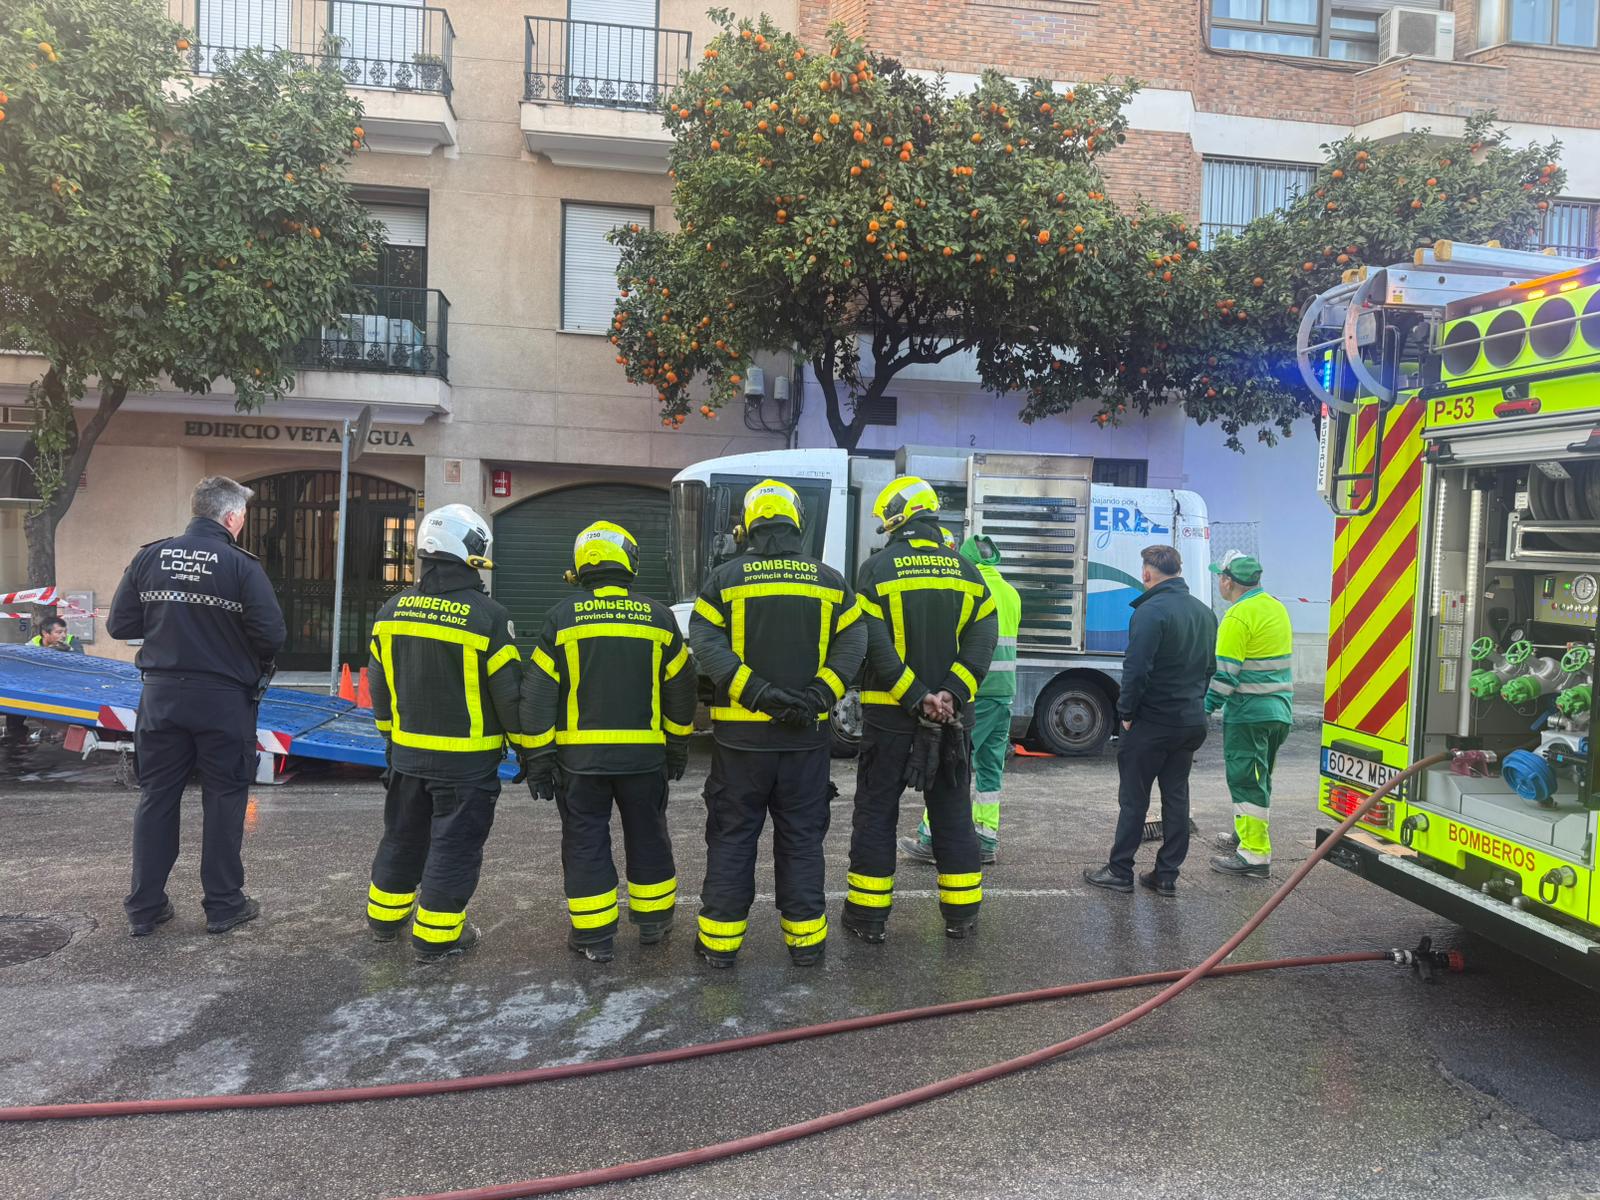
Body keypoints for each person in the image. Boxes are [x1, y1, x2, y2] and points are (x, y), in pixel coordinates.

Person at [688, 480, 866, 968]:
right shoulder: (830, 582)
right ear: (797, 523)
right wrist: (819, 695)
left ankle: (719, 947)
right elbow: (854, 642)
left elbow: (706, 644)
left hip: (741, 743)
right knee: (802, 841)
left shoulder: (723, 579)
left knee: (732, 839)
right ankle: (806, 946)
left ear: (747, 526)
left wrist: (758, 693)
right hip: (806, 741)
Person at [108, 476, 286, 937]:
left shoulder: (151, 556)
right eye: (243, 516)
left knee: (157, 797)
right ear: (232, 517)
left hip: (161, 697)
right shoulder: (241, 566)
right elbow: (272, 635)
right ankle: (224, 905)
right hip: (223, 701)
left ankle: (144, 908)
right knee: (225, 798)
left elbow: (119, 624)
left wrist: (170, 627)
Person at [520, 520, 695, 964]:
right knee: (649, 836)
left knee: (585, 842)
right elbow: (681, 689)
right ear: (629, 561)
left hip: (580, 764)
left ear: (581, 567)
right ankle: (654, 923)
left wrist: (539, 756)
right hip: (644, 760)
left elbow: (538, 693)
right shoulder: (659, 618)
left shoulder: (561, 619)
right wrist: (677, 746)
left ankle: (594, 937)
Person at [364, 504, 526, 962]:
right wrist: (528, 748)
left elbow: (378, 683)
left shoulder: (392, 609)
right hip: (466, 764)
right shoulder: (488, 616)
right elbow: (508, 697)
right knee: (454, 847)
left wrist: (390, 738)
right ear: (470, 550)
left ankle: (384, 920)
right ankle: (437, 937)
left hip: (407, 756)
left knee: (402, 836)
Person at [846, 476, 997, 943]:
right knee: (952, 815)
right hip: (951, 721)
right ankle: (962, 916)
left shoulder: (876, 569)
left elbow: (873, 642)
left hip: (890, 718)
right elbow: (983, 637)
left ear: (897, 516)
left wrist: (915, 695)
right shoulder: (968, 571)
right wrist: (950, 693)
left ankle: (868, 919)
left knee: (876, 814)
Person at [1083, 544, 1216, 898]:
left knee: (1134, 799)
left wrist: (1126, 713)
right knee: (1176, 797)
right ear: (1179, 571)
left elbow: (1136, 669)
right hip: (1189, 721)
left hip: (1152, 723)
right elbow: (1209, 669)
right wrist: (1194, 704)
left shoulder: (1150, 612)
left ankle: (1120, 870)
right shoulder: (1205, 613)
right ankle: (1166, 875)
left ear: (1146, 573)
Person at [899, 532, 1020, 866]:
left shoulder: (970, 587)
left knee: (950, 762)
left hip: (975, 690)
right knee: (990, 767)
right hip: (1004, 692)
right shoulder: (1011, 592)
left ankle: (931, 838)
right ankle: (986, 838)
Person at [1205, 551, 1294, 880]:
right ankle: (1243, 834)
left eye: (1220, 577)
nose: (1219, 582)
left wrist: (1205, 708)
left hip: (1249, 714)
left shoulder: (1237, 616)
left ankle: (1254, 855)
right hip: (1279, 710)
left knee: (1246, 780)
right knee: (1260, 777)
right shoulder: (1276, 607)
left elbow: (1226, 675)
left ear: (1228, 581)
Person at [6, 616, 87, 744]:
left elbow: (81, 661)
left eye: (65, 631)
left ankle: (66, 732)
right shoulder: (33, 644)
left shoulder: (72, 642)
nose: (63, 635)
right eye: (58, 632)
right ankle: (17, 736)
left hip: (65, 685)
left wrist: (69, 652)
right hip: (39, 685)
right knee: (16, 701)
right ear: (45, 633)